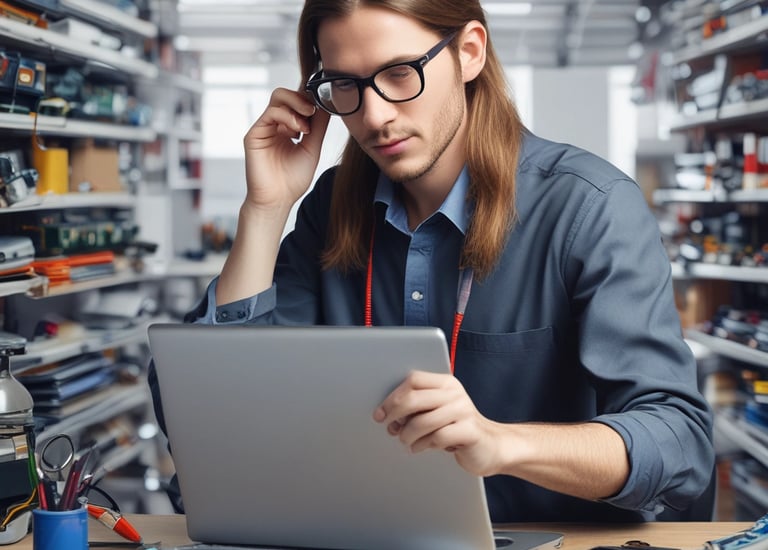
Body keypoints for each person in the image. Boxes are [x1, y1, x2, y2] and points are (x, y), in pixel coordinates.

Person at [149, 0, 715, 523]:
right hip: (364, 533)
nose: (374, 117)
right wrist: (266, 210)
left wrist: (501, 443)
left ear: (470, 52)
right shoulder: (329, 207)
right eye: (345, 85)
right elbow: (212, 414)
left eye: (399, 74)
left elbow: (678, 442)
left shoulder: (588, 208)